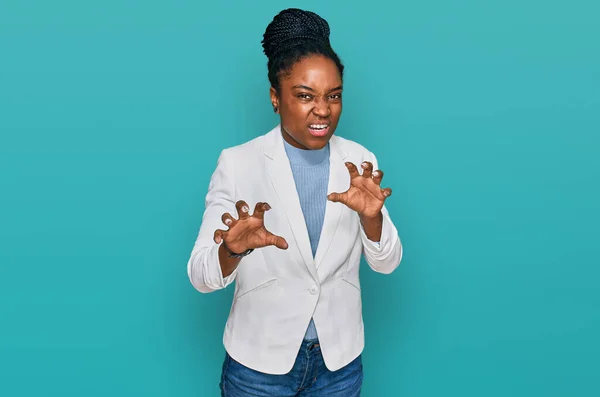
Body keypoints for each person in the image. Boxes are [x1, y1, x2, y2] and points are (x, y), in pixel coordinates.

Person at [187, 8, 403, 396]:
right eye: (305, 96)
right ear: (275, 97)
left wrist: (373, 222)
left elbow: (387, 264)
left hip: (338, 365)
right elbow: (201, 276)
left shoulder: (360, 161)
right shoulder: (238, 164)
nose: (322, 110)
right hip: (259, 368)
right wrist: (231, 251)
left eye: (333, 96)